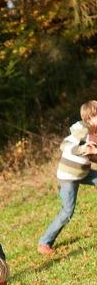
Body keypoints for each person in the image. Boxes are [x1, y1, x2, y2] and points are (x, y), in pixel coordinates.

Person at [38, 100, 97, 255]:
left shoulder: (94, 133)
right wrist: (83, 148)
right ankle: (44, 242)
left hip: (82, 172)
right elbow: (65, 145)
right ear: (90, 118)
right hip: (68, 176)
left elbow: (91, 156)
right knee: (67, 212)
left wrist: (91, 153)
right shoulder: (82, 129)